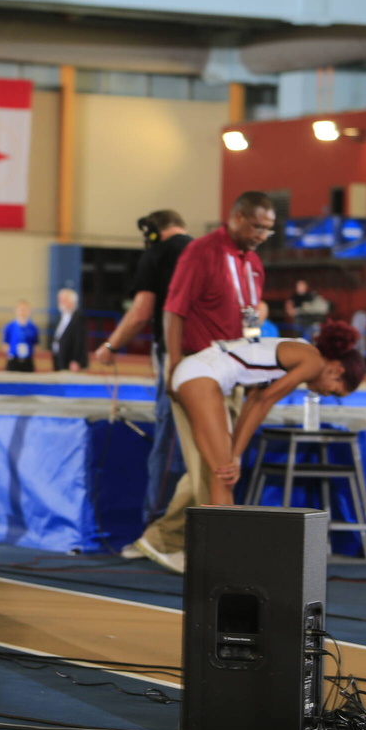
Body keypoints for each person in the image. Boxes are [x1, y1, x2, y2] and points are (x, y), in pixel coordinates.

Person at [132, 191, 275, 574]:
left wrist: (256, 365)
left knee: (210, 463)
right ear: (238, 217)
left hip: (234, 373)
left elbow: (250, 321)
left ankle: (160, 537)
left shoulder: (254, 265)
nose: (262, 234)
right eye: (258, 226)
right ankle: (215, 557)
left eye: (269, 229)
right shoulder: (200, 252)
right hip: (196, 372)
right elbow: (173, 310)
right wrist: (174, 368)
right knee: (215, 466)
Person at [174, 325, 365, 507]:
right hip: (201, 374)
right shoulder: (314, 363)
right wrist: (236, 456)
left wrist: (235, 454)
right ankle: (223, 539)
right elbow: (263, 401)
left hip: (198, 372)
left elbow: (254, 400)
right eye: (333, 392)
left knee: (224, 476)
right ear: (336, 371)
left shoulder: (299, 352)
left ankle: (223, 536)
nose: (325, 395)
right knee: (223, 475)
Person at [94, 209, 192, 548]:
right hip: (215, 361)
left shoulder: (159, 254)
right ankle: (189, 533)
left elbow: (140, 312)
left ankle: (156, 534)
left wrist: (111, 346)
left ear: (152, 232)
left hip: (178, 358)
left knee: (167, 449)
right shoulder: (201, 250)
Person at [50, 288, 88, 372]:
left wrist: (76, 360)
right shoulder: (61, 317)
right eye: (59, 300)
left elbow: (80, 340)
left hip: (70, 361)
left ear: (72, 301)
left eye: (64, 300)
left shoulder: (78, 317)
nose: (60, 302)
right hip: (59, 359)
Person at [3, 301, 38, 372]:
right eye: (21, 309)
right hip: (14, 360)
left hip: (27, 361)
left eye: (25, 309)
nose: (22, 312)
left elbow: (35, 344)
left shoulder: (33, 328)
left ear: (29, 311)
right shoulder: (10, 326)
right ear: (16, 311)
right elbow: (6, 343)